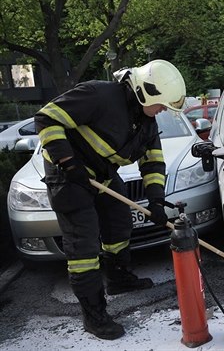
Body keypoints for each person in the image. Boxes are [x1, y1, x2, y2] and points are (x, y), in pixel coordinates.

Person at [34, 59, 186, 339]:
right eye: (162, 104)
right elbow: (46, 117)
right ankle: (94, 315)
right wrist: (67, 161)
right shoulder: (98, 95)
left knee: (118, 225)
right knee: (84, 245)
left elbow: (153, 161)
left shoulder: (146, 121)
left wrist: (155, 200)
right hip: (68, 176)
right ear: (144, 93)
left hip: (101, 174)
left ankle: (118, 277)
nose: (163, 110)